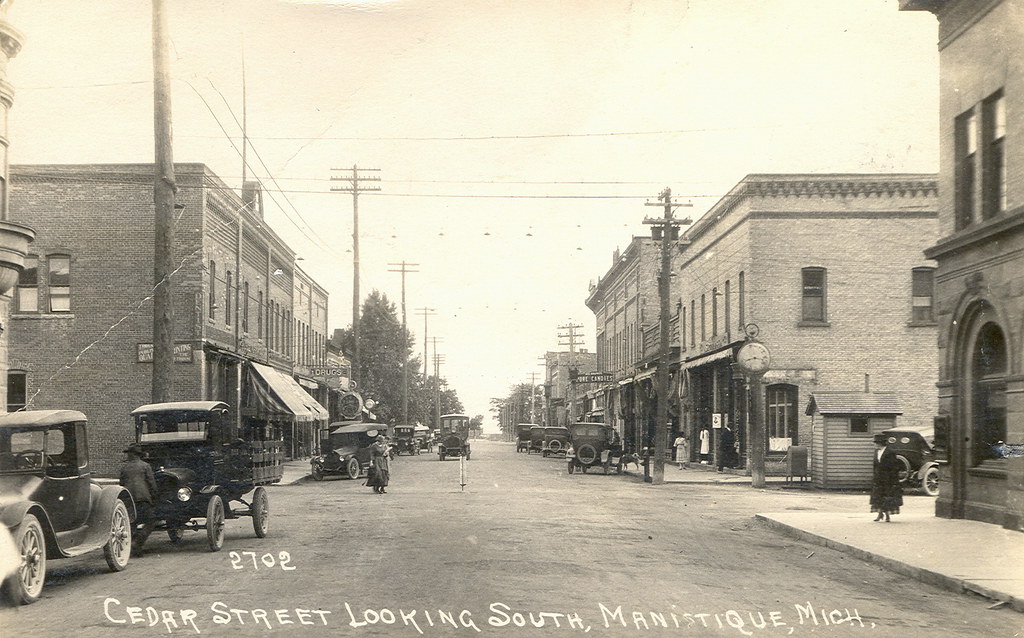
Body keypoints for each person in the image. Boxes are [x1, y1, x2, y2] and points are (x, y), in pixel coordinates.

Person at [119, 443, 157, 556]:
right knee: (151, 521)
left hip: (128, 499)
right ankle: (137, 543)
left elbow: (121, 483)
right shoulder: (145, 466)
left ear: (131, 455)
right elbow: (151, 483)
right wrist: (155, 496)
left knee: (132, 523)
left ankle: (131, 546)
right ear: (139, 455)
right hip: (142, 498)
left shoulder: (124, 467)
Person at [870, 433, 903, 522]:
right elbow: (875, 465)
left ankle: (887, 515)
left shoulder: (890, 452)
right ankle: (879, 514)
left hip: (888, 479)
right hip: (878, 478)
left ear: (880, 443)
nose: (875, 444)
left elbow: (894, 467)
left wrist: (893, 480)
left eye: (876, 443)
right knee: (878, 496)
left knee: (887, 496)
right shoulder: (876, 452)